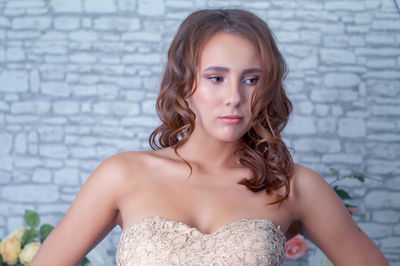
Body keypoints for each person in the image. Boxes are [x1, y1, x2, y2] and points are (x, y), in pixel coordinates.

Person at [30, 8, 389, 266]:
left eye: (251, 79)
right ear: (185, 84)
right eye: (216, 78)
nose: (234, 96)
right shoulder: (122, 175)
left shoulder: (295, 186)